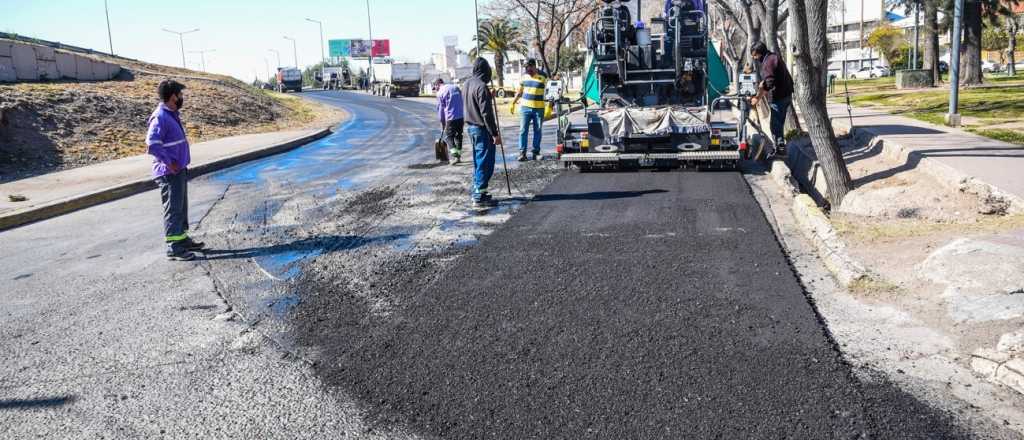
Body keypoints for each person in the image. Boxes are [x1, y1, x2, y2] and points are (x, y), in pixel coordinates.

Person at [146, 79, 204, 261]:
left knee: (180, 207)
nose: (182, 98)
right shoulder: (160, 117)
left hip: (179, 170)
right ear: (172, 97)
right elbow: (152, 144)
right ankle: (174, 247)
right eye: (180, 95)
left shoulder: (171, 114)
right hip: (169, 172)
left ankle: (182, 239)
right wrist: (169, 163)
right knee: (173, 209)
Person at [462, 58, 502, 208]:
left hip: (471, 128)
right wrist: (494, 133)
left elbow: (474, 103)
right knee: (485, 163)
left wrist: (488, 97)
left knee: (478, 161)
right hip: (481, 129)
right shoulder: (481, 87)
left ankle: (481, 191)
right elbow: (486, 114)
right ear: (486, 71)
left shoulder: (467, 84)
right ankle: (478, 196)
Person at [750, 41, 794, 152]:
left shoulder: (767, 63)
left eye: (754, 56)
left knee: (775, 126)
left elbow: (769, 83)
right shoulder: (774, 57)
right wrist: (763, 83)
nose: (754, 58)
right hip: (786, 94)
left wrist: (757, 98)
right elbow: (773, 78)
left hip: (779, 97)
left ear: (759, 53)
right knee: (779, 123)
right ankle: (780, 146)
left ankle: (779, 149)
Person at [510, 59, 547, 161]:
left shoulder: (544, 76)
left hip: (539, 109)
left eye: (529, 67)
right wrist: (513, 102)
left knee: (538, 130)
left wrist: (550, 106)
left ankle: (536, 153)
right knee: (523, 130)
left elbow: (550, 92)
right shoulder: (524, 76)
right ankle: (522, 153)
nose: (527, 70)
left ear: (534, 66)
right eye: (526, 68)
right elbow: (520, 91)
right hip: (525, 108)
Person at [436, 78, 465, 165]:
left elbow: (441, 110)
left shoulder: (440, 92)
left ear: (437, 85)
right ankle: (458, 156)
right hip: (461, 117)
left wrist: (442, 123)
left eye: (435, 87)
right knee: (459, 136)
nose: (436, 89)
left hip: (450, 118)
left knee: (449, 137)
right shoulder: (456, 88)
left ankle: (455, 156)